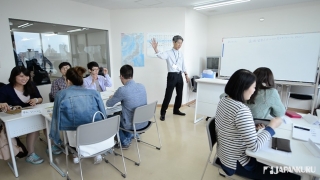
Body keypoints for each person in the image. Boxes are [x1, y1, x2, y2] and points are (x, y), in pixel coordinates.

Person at [215, 69, 300, 180]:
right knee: (294, 176)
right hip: (237, 164)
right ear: (243, 87)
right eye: (254, 87)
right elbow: (254, 147)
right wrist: (271, 126)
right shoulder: (241, 110)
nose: (255, 91)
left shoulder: (224, 100)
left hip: (224, 157)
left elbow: (230, 127)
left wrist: (251, 128)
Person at [50, 66, 107, 164]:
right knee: (90, 124)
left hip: (73, 130)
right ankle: (96, 152)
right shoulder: (94, 93)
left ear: (67, 81)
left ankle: (76, 154)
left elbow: (55, 117)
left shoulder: (61, 94)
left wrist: (56, 138)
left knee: (71, 124)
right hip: (93, 130)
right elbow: (103, 114)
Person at [0, 66, 45, 164]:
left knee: (36, 128)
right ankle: (19, 151)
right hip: (12, 120)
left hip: (29, 117)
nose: (25, 78)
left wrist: (35, 100)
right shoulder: (5, 89)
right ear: (13, 77)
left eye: (27, 76)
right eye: (21, 76)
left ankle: (30, 154)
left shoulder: (31, 85)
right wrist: (2, 104)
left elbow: (40, 98)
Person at [106, 65, 148, 149]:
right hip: (144, 122)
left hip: (131, 124)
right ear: (132, 75)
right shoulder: (141, 86)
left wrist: (113, 96)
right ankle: (132, 134)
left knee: (109, 118)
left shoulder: (122, 90)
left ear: (121, 76)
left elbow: (109, 104)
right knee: (121, 114)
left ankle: (124, 141)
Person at [150, 35, 190, 121]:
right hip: (172, 75)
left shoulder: (181, 53)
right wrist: (155, 49)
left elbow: (183, 65)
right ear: (174, 42)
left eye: (181, 43)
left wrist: (186, 75)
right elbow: (161, 55)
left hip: (180, 75)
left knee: (179, 94)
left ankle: (176, 110)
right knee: (168, 95)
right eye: (178, 43)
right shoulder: (168, 52)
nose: (180, 45)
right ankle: (163, 113)